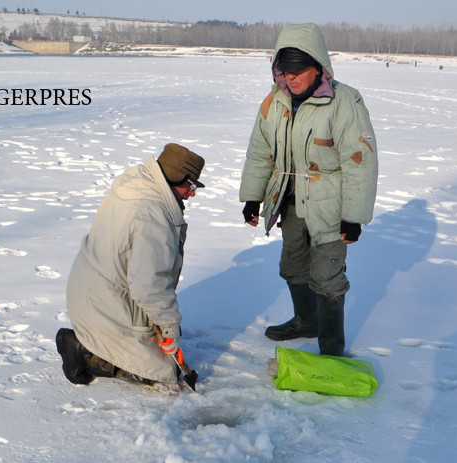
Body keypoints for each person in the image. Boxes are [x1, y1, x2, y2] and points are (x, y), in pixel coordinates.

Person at [239, 23, 378, 357]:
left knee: (327, 276)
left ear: (319, 67)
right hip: (288, 202)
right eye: (283, 70)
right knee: (293, 267)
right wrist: (253, 197)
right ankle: (306, 321)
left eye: (297, 71)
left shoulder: (344, 102)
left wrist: (353, 217)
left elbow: (360, 161)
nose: (290, 78)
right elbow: (261, 152)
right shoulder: (274, 102)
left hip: (330, 207)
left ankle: (331, 348)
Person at [56, 143, 206, 395]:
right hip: (104, 301)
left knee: (160, 349)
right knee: (162, 372)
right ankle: (82, 351)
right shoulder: (152, 215)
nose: (191, 194)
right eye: (189, 186)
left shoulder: (137, 186)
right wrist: (168, 330)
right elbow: (150, 285)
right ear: (173, 179)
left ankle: (97, 341)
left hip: (92, 291)